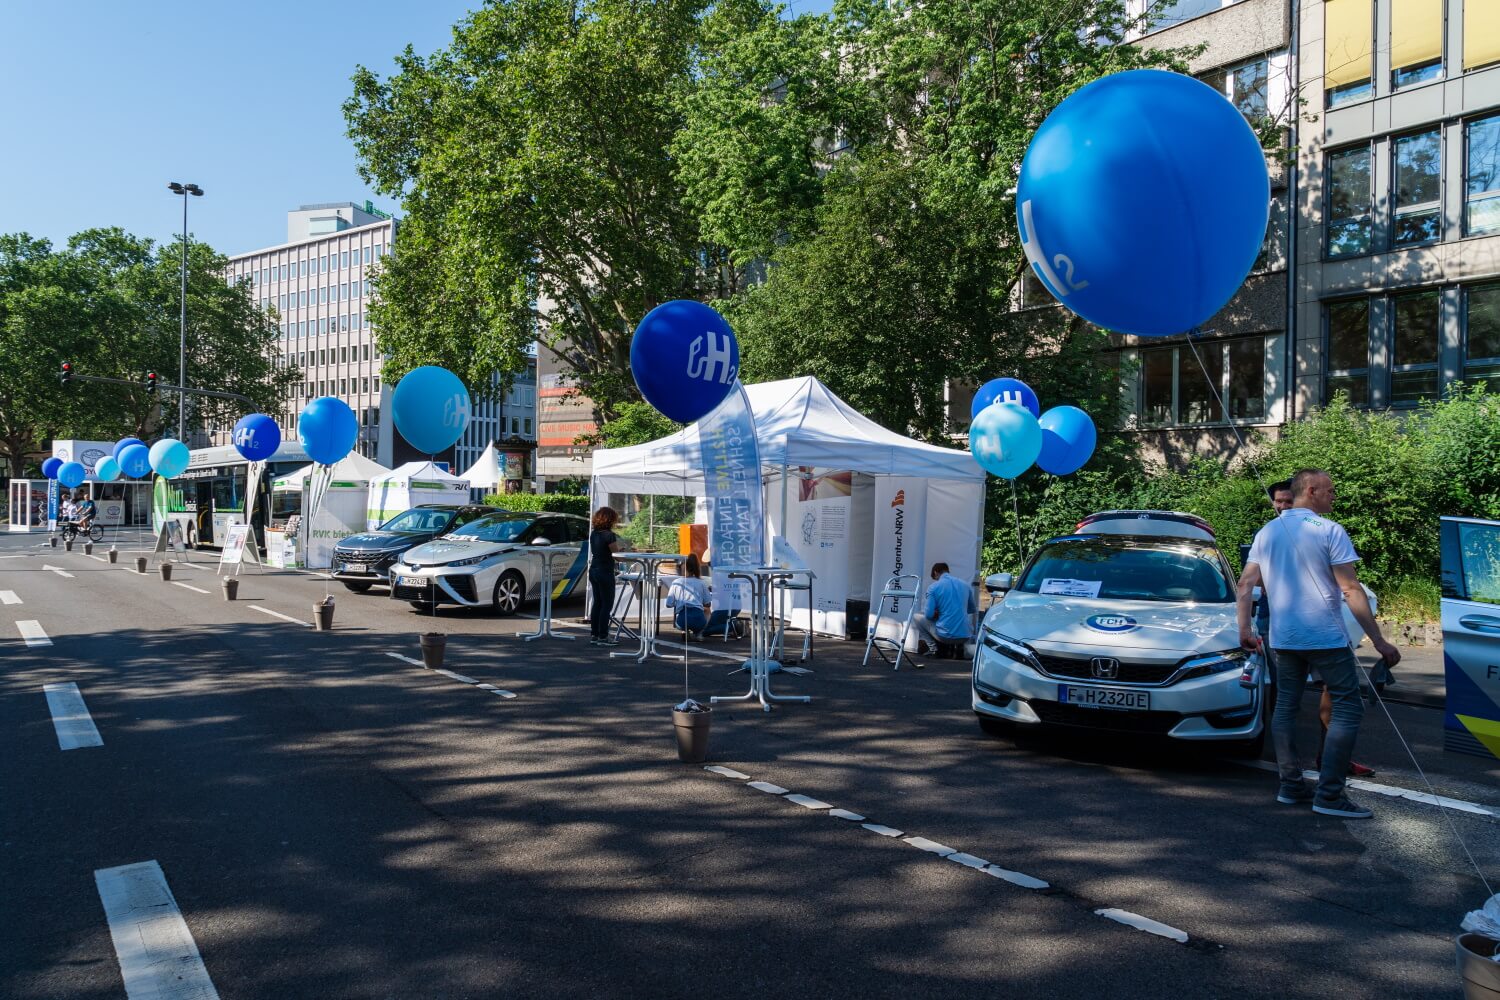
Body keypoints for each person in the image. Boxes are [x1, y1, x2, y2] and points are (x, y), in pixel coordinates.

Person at [1237, 468, 1400, 820]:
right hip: (1325, 635)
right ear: (1311, 491)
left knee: (1285, 707)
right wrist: (1380, 641)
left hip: (1283, 637)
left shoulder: (1267, 531)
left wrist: (1245, 631)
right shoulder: (1330, 531)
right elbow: (1351, 589)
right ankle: (1329, 794)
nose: (1334, 496)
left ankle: (1290, 786)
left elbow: (1245, 585)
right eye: (1330, 490)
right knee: (1348, 707)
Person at [914, 562, 977, 661]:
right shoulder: (965, 585)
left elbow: (929, 615)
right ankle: (959, 647)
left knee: (917, 616)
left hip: (945, 636)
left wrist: (937, 613)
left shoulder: (934, 587)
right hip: (965, 635)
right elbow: (972, 609)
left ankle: (934, 649)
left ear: (935, 573)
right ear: (947, 571)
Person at [588, 506, 627, 646]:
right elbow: (617, 557)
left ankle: (594, 634)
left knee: (597, 603)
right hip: (605, 571)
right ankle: (603, 636)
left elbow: (602, 551)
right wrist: (625, 553)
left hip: (594, 569)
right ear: (610, 520)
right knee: (607, 604)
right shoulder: (609, 535)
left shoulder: (594, 534)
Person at [665, 554, 712, 637]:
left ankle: (685, 630)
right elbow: (708, 603)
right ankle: (699, 633)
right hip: (699, 619)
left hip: (682, 620)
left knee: (681, 620)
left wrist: (679, 602)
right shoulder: (701, 582)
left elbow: (669, 604)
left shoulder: (676, 582)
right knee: (707, 611)